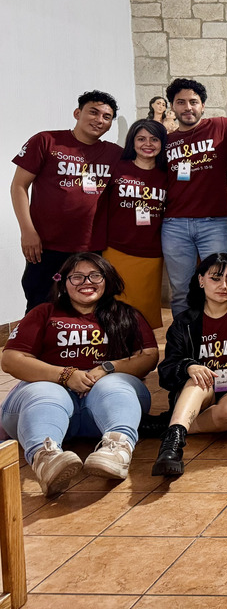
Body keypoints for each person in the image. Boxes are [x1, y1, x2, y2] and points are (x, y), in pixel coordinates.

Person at [1, 253, 158, 495]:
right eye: (77, 277)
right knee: (47, 390)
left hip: (102, 408)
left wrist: (107, 368)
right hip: (45, 403)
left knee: (113, 385)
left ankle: (117, 449)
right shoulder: (44, 312)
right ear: (63, 282)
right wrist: (65, 375)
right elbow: (11, 360)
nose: (87, 282)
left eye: (95, 275)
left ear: (108, 280)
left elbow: (148, 356)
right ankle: (46, 458)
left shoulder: (126, 314)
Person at [152, 253, 227, 476]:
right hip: (200, 391)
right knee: (199, 379)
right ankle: (172, 448)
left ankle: (171, 426)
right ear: (201, 280)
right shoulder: (184, 322)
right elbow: (166, 371)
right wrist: (189, 366)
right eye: (216, 278)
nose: (223, 286)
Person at [12, 90, 122, 311]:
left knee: (87, 307)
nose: (99, 120)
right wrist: (27, 231)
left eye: (106, 117)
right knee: (41, 305)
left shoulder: (115, 154)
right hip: (45, 245)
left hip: (91, 247)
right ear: (77, 113)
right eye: (93, 112)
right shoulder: (46, 141)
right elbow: (18, 186)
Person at [162, 78, 227, 316]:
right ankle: (184, 341)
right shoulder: (165, 141)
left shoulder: (221, 126)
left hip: (214, 223)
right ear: (173, 107)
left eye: (193, 102)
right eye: (181, 102)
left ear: (203, 106)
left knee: (221, 283)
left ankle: (219, 337)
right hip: (174, 224)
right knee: (181, 289)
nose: (187, 107)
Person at [102, 119, 168, 330]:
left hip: (150, 253)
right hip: (115, 249)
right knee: (113, 308)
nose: (147, 144)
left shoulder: (167, 174)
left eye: (154, 139)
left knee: (143, 315)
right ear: (132, 141)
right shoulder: (117, 168)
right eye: (141, 139)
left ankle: (141, 356)